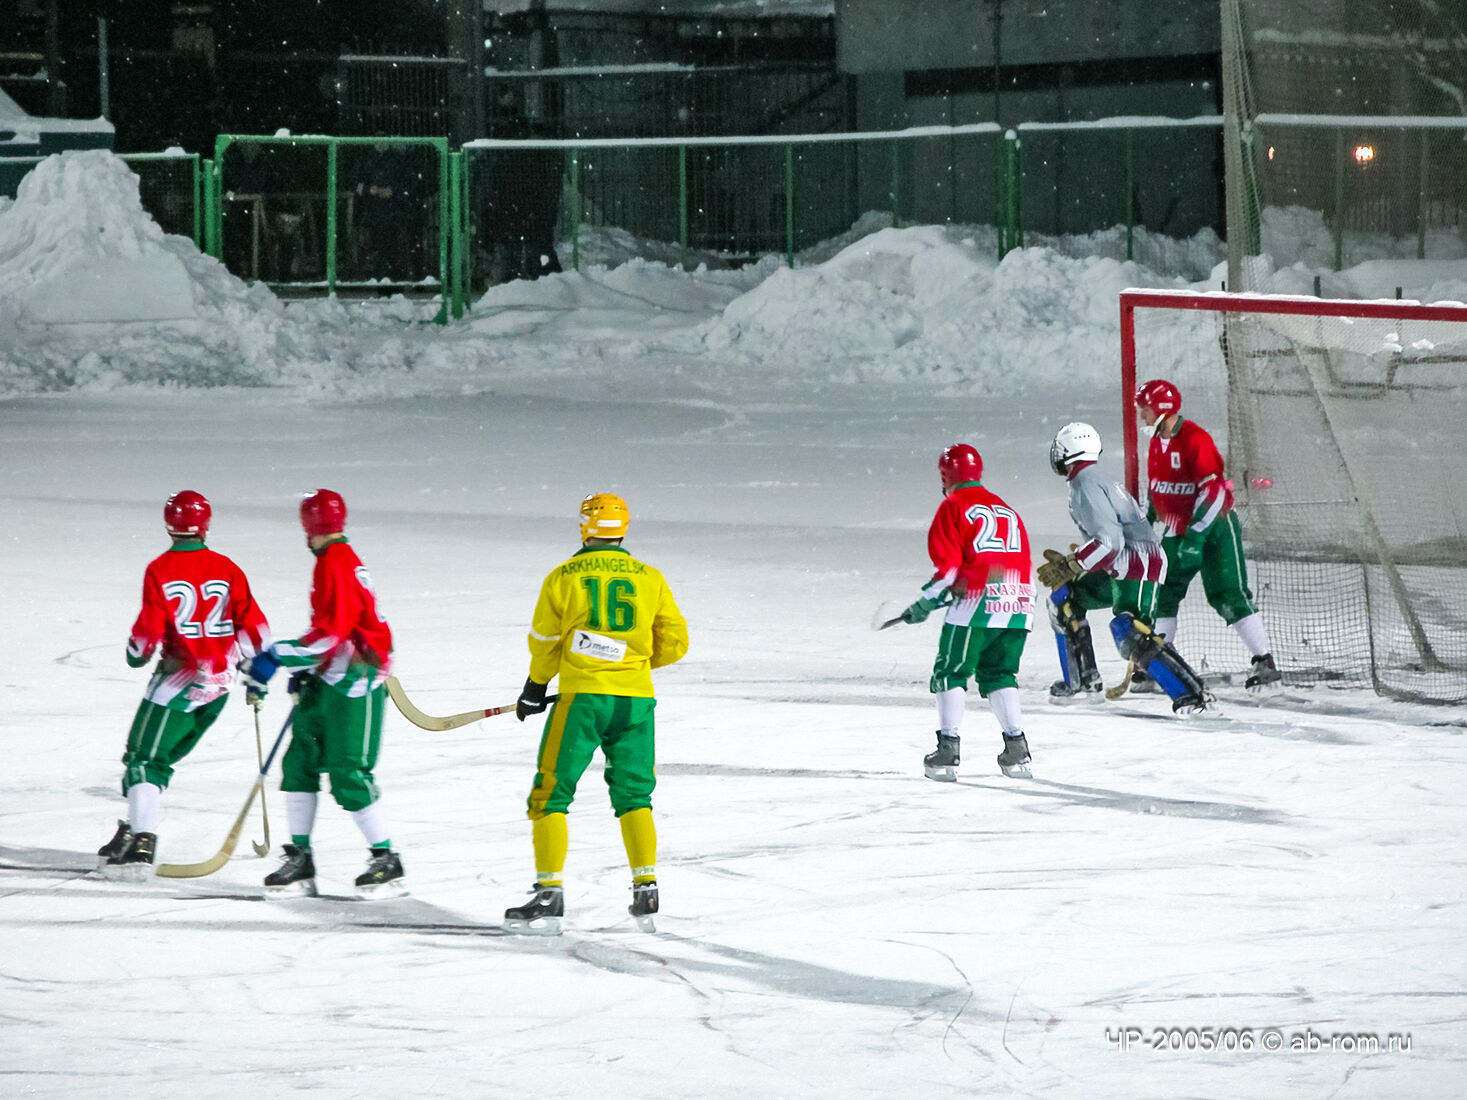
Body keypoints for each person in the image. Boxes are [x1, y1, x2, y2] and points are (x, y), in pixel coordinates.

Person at [503, 492, 689, 936]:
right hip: (636, 701)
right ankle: (646, 887)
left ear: (584, 526)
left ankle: (548, 892)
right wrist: (631, 665)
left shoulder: (563, 577)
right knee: (635, 796)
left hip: (583, 701)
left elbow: (545, 641)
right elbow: (676, 642)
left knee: (551, 795)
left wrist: (535, 685)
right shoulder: (650, 577)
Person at [98, 490, 270, 880]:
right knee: (158, 760)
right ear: (205, 524)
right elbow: (254, 627)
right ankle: (134, 825)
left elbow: (147, 631)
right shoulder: (227, 567)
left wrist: (136, 652)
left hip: (178, 685)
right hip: (219, 685)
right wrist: (258, 675)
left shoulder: (160, 569)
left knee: (144, 758)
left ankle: (142, 840)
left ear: (168, 524)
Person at [239, 490, 402, 898]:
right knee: (300, 762)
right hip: (330, 676)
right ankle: (301, 859)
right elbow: (331, 634)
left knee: (348, 771)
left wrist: (276, 657)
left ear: (308, 525)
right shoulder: (333, 560)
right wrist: (308, 668)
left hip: (357, 683)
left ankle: (387, 861)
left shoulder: (336, 564)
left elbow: (331, 636)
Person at [1039, 422, 1213, 714]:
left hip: (1137, 560)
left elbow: (1110, 542)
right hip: (1122, 562)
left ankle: (1191, 697)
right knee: (1064, 599)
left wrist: (1075, 562)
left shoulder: (1085, 485)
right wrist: (1081, 559)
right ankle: (1083, 681)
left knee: (1130, 632)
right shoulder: (1090, 480)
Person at [898, 444, 1035, 782]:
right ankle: (1017, 748)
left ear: (946, 476)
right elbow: (1007, 560)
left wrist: (924, 603)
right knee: (1000, 673)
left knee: (951, 671)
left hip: (976, 604)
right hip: (1019, 600)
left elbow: (948, 571)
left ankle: (948, 750)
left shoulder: (953, 506)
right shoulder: (1004, 507)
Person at [1134, 380, 1282, 690]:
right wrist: (1145, 520)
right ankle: (1158, 663)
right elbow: (1156, 486)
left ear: (1162, 409)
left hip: (1215, 528)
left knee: (1228, 595)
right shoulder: (1157, 442)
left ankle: (1264, 662)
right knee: (1162, 593)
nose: (1142, 416)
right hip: (1177, 528)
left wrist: (1196, 536)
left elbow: (1214, 493)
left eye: (1145, 410)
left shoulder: (1195, 439)